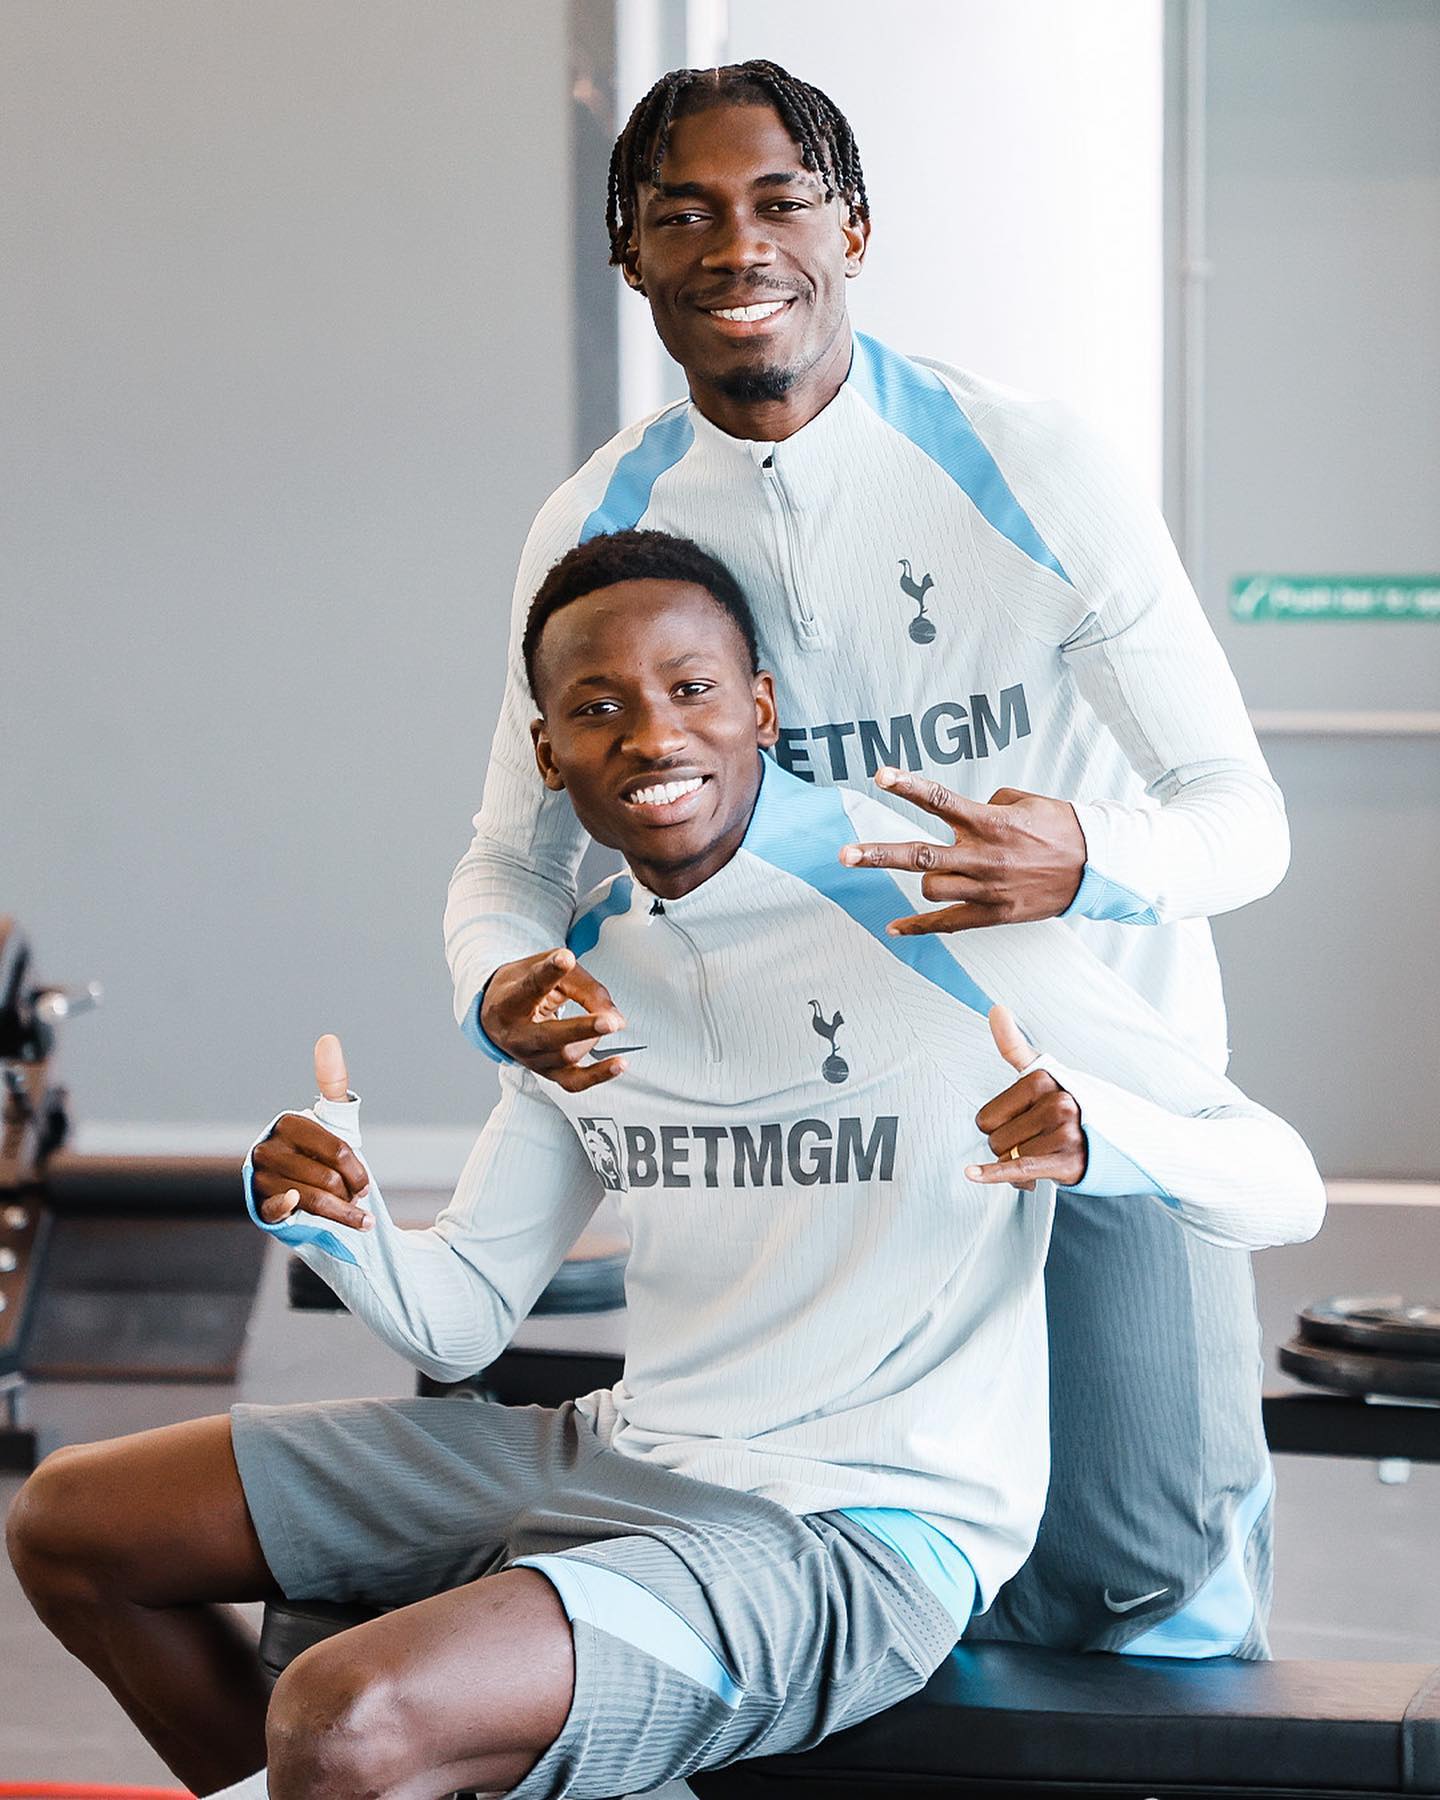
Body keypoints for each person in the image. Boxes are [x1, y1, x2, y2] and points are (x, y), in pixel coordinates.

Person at [9, 532, 1323, 1800]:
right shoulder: (586, 971)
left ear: (760, 707)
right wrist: (336, 1220)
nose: (652, 736)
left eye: (692, 690)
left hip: (859, 1530)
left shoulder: (940, 912)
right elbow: (461, 1319)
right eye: (599, 707)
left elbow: (1283, 1182)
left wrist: (1103, 1139)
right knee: (74, 1524)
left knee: (350, 1715)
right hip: (619, 1453)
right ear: (548, 750)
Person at [449, 59, 1293, 1656]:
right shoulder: (597, 523)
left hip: (1092, 1094)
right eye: (683, 214)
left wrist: (1084, 860)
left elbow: (1240, 822)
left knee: (1145, 1593)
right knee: (854, 1591)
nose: (738, 248)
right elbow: (514, 857)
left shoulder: (1030, 463)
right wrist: (500, 987)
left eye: (782, 202)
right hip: (830, 1137)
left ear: (854, 229)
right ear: (629, 253)